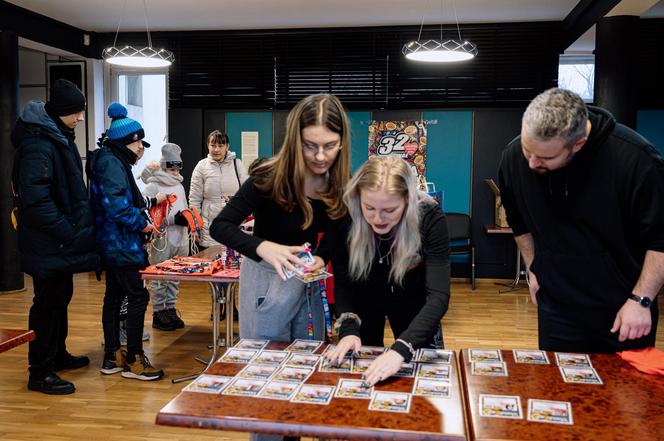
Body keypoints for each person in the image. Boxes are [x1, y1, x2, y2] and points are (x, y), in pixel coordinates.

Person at [498, 87, 664, 353]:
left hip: (624, 309)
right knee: (557, 391)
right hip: (556, 308)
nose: (531, 162)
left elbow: (660, 239)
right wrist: (533, 269)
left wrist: (641, 299)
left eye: (545, 157)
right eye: (528, 149)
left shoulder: (637, 160)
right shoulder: (514, 157)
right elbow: (519, 222)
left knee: (627, 394)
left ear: (578, 145)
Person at [210, 94, 351, 344]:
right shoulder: (267, 180)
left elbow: (337, 229)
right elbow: (220, 227)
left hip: (305, 284)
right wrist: (263, 248)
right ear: (295, 142)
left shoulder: (338, 184)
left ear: (342, 143)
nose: (320, 157)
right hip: (264, 281)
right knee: (261, 360)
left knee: (307, 358)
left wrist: (321, 256)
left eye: (329, 146)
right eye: (310, 145)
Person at [323, 156, 451, 386]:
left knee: (422, 382)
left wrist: (401, 349)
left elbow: (439, 297)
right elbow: (343, 281)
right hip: (365, 300)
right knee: (361, 378)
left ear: (408, 201)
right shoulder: (344, 216)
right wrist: (349, 329)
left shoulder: (430, 217)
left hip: (414, 302)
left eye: (390, 210)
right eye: (369, 208)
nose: (377, 218)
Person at [11, 79, 100, 394]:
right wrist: (68, 230)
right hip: (48, 240)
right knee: (47, 303)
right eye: (76, 112)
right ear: (60, 111)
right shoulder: (38, 144)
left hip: (58, 241)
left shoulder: (57, 136)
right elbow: (36, 201)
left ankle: (57, 354)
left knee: (61, 297)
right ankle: (40, 372)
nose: (80, 117)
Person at [87, 102, 164, 381]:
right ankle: (133, 358)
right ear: (125, 143)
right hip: (121, 243)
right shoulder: (111, 163)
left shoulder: (111, 160)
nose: (141, 149)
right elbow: (116, 206)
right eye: (138, 144)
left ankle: (113, 356)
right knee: (137, 295)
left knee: (115, 296)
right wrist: (143, 223)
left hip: (113, 243)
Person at [140, 143, 189, 331]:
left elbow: (183, 206)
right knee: (160, 276)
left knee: (174, 275)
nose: (175, 170)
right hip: (162, 238)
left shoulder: (179, 185)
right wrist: (169, 219)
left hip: (179, 237)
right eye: (171, 166)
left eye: (178, 166)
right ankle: (159, 311)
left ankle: (170, 307)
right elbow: (146, 211)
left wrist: (187, 218)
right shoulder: (154, 186)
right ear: (163, 165)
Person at [189, 130, 248, 250]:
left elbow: (248, 193)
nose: (216, 149)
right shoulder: (201, 166)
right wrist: (195, 226)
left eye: (220, 146)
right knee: (211, 262)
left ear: (227, 146)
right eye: (213, 145)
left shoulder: (237, 164)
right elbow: (194, 200)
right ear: (208, 145)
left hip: (235, 224)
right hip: (208, 226)